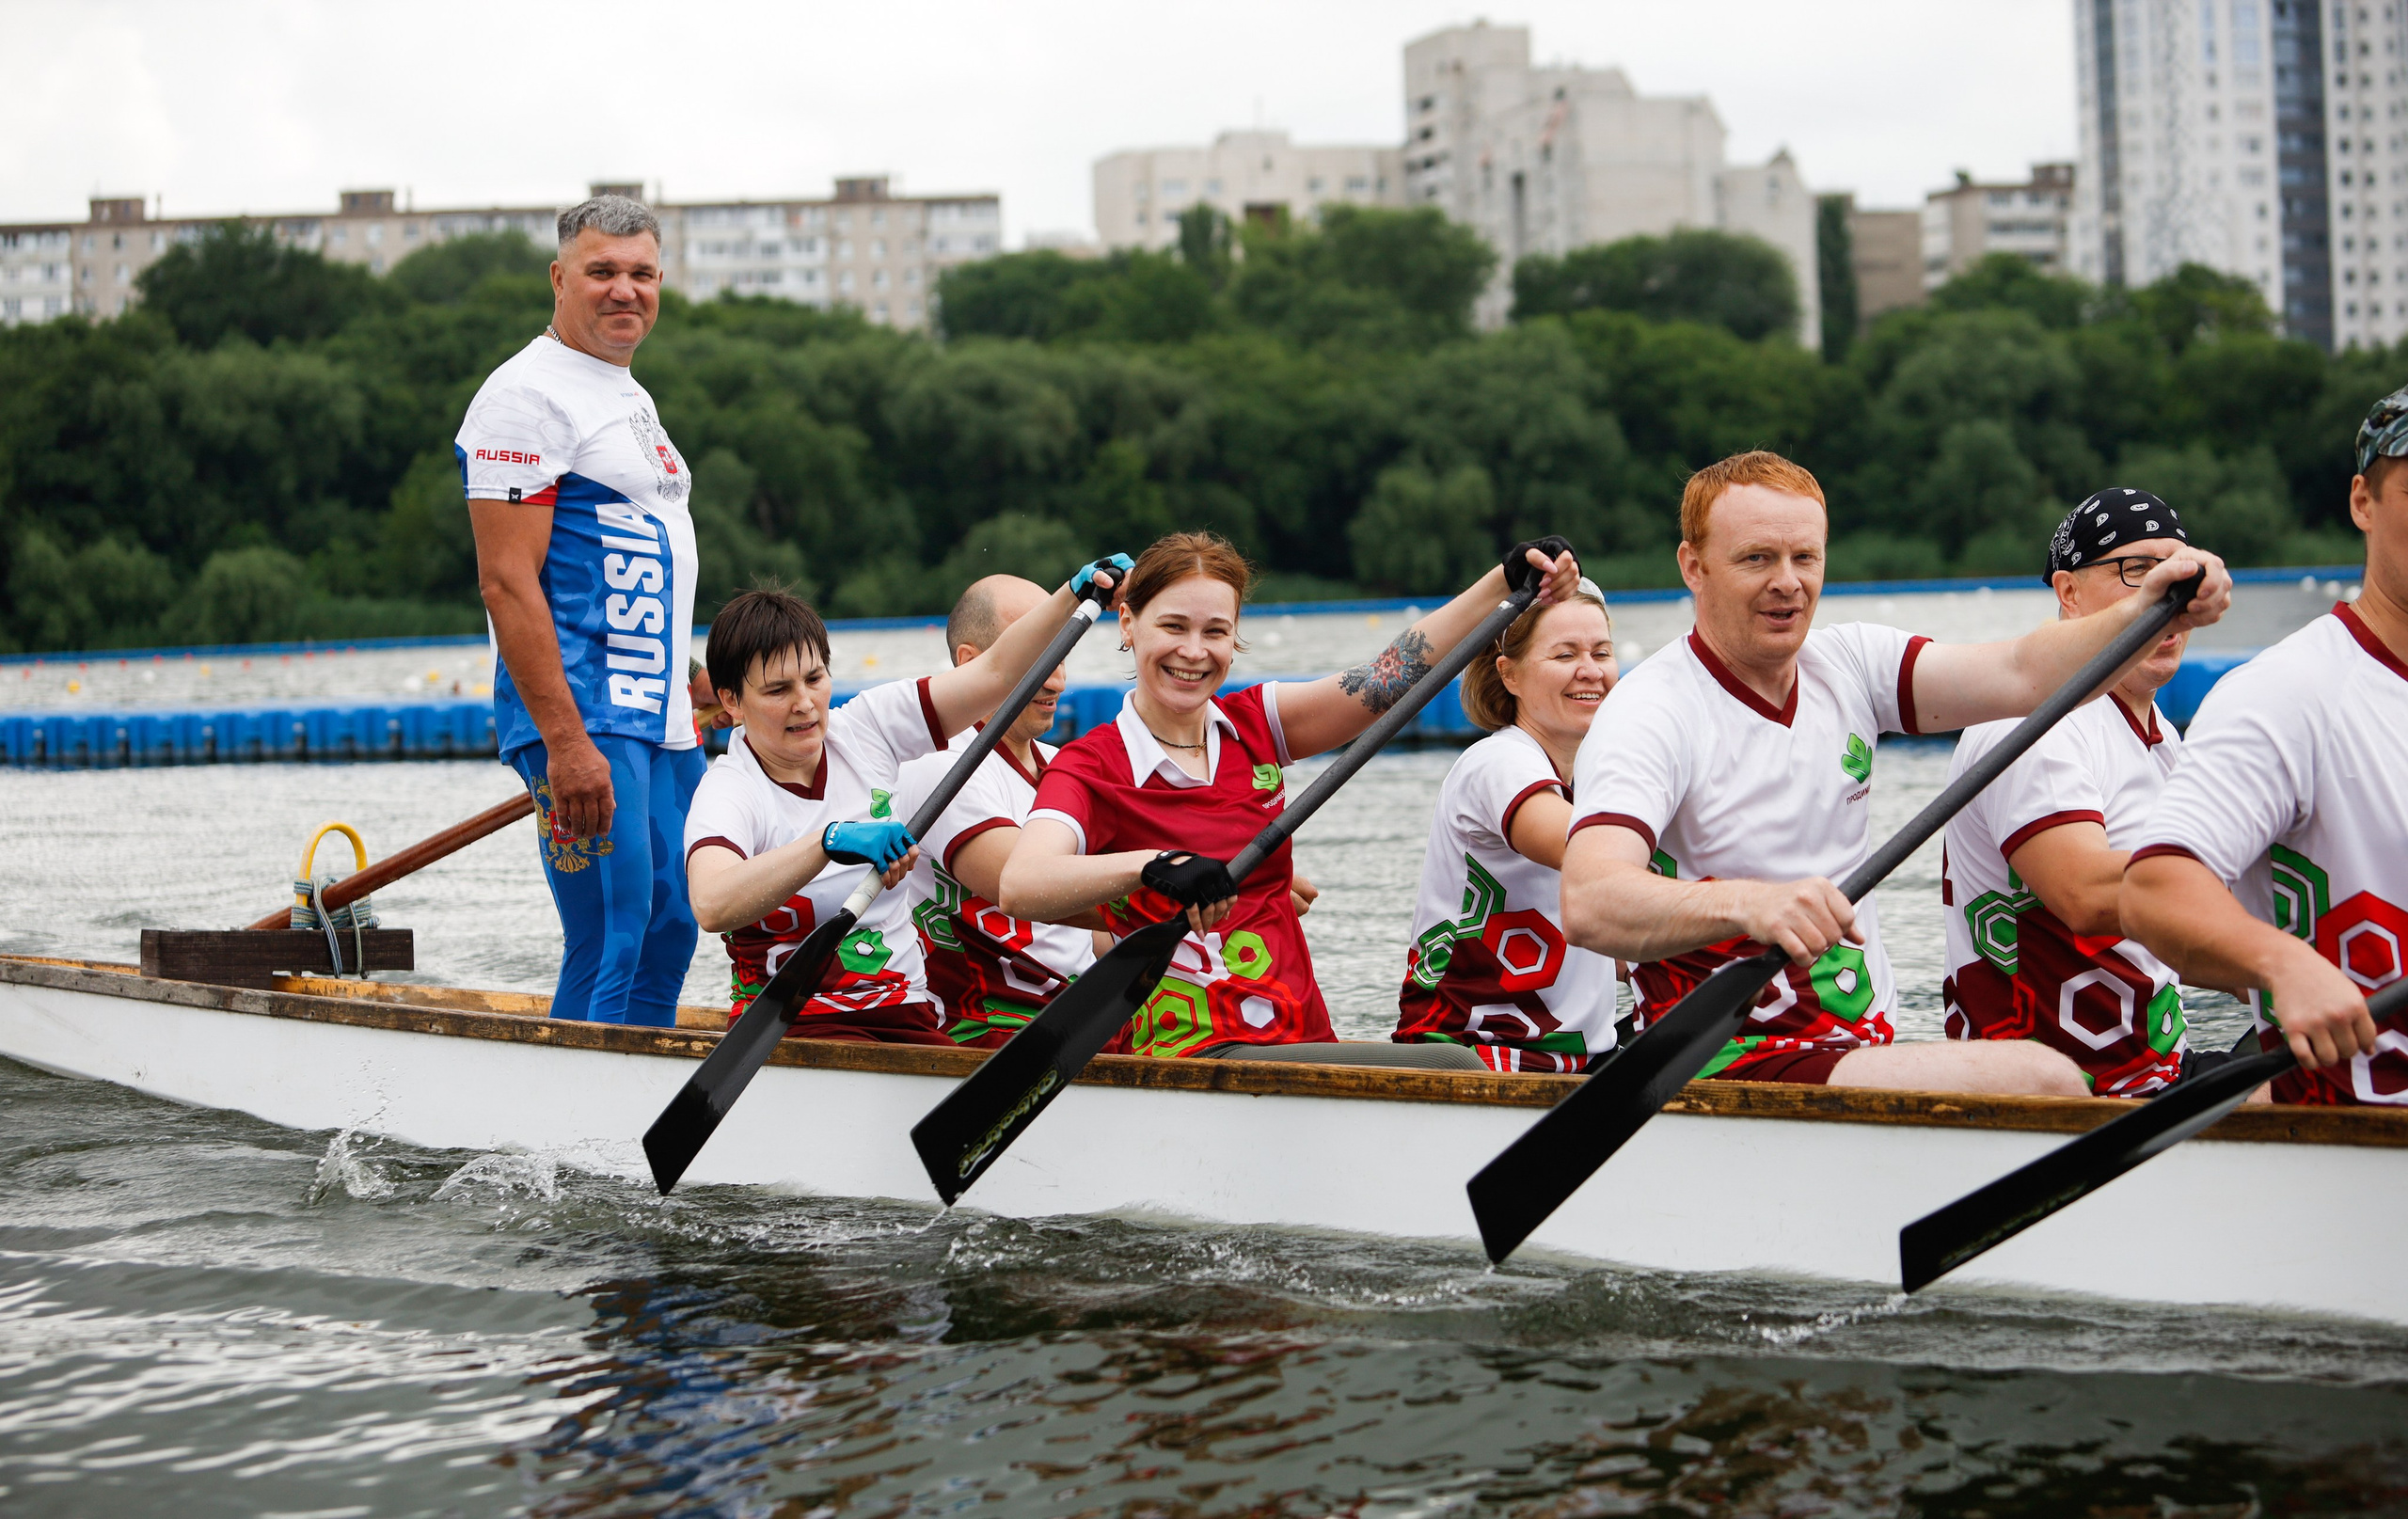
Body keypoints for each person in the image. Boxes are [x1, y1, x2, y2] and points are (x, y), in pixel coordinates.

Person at [1560, 451, 2232, 1092]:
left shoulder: (1849, 664)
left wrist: (2152, 604)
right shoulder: (1650, 712)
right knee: (2045, 1077)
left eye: (1805, 557)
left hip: (1855, 1050)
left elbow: (2022, 672)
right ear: (1694, 565)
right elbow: (1590, 900)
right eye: (1756, 558)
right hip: (1724, 1061)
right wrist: (1750, 902)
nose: (1787, 582)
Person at [998, 530, 1579, 1068]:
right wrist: (1151, 867)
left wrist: (1503, 584)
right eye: (1173, 627)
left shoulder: (1258, 723)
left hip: (1299, 1037)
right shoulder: (1090, 765)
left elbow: (1387, 676)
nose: (1194, 652)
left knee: (1459, 1059)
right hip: (1193, 1053)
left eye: (1215, 632)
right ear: (1127, 624)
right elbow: (1020, 885)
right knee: (1454, 1065)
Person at [458, 194, 719, 1026]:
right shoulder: (523, 396)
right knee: (615, 927)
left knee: (677, 921)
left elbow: (625, 554)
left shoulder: (623, 391)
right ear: (559, 277)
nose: (623, 291)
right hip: (584, 712)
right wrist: (566, 743)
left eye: (641, 273)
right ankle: (571, 1142)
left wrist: (691, 675)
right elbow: (506, 581)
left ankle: (630, 1121)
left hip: (659, 709)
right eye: (601, 271)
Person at [682, 562, 1124, 1044]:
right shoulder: (729, 788)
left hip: (908, 1016)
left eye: (814, 679)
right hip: (795, 1027)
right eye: (777, 690)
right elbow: (711, 904)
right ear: (731, 700)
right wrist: (827, 844)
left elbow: (996, 673)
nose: (805, 703)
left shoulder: (868, 728)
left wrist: (1074, 596)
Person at [2122, 386, 2408, 1106]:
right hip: (2356, 1130)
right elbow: (2156, 890)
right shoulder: (2290, 694)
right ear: (2362, 502)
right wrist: (2281, 962)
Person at [1938, 490, 2197, 1096]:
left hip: (2156, 1074)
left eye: (2179, 570)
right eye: (2137, 570)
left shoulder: (2164, 738)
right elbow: (2083, 892)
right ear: (2069, 593)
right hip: (2059, 1093)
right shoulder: (2032, 722)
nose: (2169, 594)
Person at [1392, 579, 1624, 1072]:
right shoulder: (1499, 763)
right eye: (1565, 655)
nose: (1591, 670)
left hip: (1572, 1056)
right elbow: (1588, 851)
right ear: (1510, 674)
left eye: (1602, 652)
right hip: (1471, 1052)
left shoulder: (1596, 780)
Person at [894, 576, 1103, 1048]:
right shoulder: (939, 768)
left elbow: (1105, 932)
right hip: (989, 1034)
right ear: (972, 663)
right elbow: (1034, 886)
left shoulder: (1067, 768)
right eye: (1039, 656)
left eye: (1063, 652)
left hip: (1080, 1018)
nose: (1058, 679)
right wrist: (1220, 892)